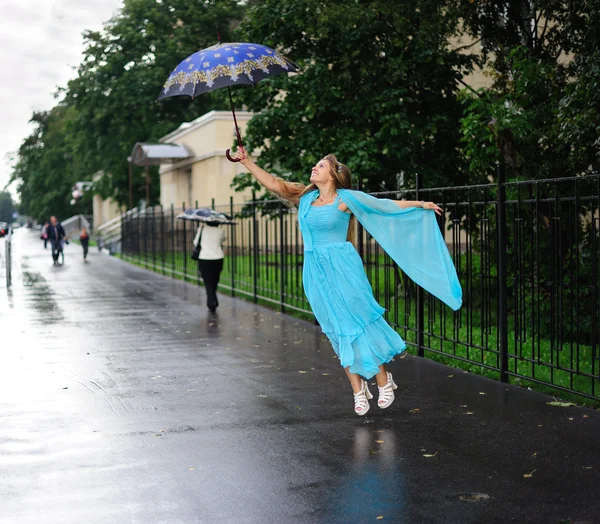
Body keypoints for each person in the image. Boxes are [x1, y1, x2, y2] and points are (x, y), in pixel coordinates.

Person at [234, 147, 462, 416]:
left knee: (358, 322)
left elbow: (384, 206)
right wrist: (246, 161)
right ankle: (357, 389)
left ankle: (383, 380)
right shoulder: (306, 199)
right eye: (315, 165)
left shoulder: (345, 199)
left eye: (320, 166)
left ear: (333, 175)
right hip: (315, 271)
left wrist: (421, 205)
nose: (314, 168)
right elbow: (274, 183)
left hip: (343, 267)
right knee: (336, 329)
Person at [194, 220, 226, 313]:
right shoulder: (220, 231)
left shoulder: (201, 229)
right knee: (215, 279)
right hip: (218, 258)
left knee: (207, 281)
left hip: (205, 258)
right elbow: (222, 240)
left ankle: (211, 301)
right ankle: (212, 299)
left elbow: (196, 242)